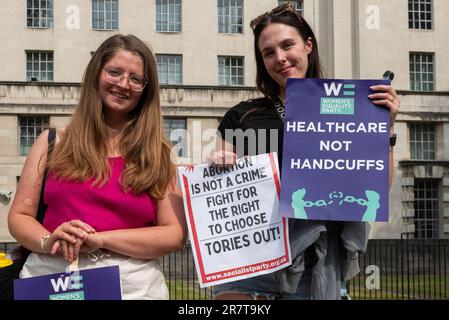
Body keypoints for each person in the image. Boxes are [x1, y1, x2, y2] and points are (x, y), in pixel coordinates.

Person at [210, 2, 400, 300]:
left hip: (315, 265)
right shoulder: (241, 115)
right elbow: (217, 188)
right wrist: (219, 163)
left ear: (308, 45)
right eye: (268, 52)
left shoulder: (351, 109)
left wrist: (385, 129)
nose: (280, 58)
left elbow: (375, 190)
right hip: (249, 263)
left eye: (287, 45)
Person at [8, 34, 187, 300]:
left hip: (134, 286)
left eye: (136, 79)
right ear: (96, 74)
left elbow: (174, 233)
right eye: (114, 72)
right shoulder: (52, 141)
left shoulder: (157, 153)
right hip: (54, 278)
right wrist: (50, 240)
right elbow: (19, 216)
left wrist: (101, 240)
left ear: (145, 89)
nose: (123, 84)